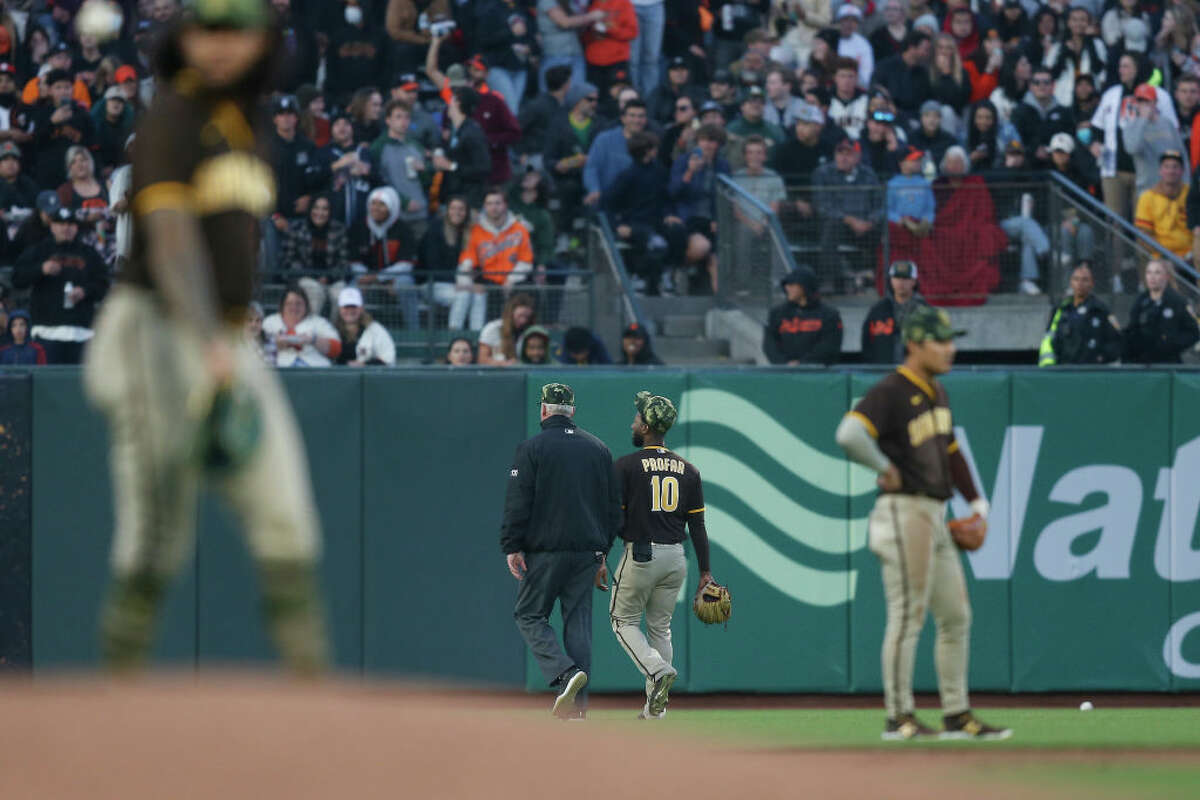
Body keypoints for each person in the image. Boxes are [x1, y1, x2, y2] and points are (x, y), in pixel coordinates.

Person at [80, 0, 329, 675]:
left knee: (287, 514)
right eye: (206, 28)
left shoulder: (245, 122)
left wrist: (223, 344)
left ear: (261, 40)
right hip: (156, 327)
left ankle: (318, 705)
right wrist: (210, 344)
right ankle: (113, 705)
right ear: (183, 37)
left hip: (221, 337)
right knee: (158, 534)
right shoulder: (174, 114)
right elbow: (170, 240)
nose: (220, 44)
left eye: (235, 29)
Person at [835, 306, 1009, 741]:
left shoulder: (937, 392)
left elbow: (950, 452)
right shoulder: (893, 389)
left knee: (955, 615)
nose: (951, 349)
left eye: (951, 340)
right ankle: (899, 716)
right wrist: (881, 465)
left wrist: (978, 504)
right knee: (908, 614)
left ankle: (956, 714)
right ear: (914, 344)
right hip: (902, 511)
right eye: (941, 341)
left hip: (934, 512)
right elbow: (849, 434)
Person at [500, 382, 621, 720]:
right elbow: (613, 509)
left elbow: (517, 503)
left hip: (545, 551)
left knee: (528, 614)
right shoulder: (598, 449)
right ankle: (578, 711)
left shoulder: (532, 448)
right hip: (587, 553)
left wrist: (512, 546)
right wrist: (602, 553)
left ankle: (566, 674)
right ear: (573, 411)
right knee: (578, 625)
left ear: (543, 410)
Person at [608, 391, 714, 718]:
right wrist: (706, 572)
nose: (633, 422)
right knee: (660, 629)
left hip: (641, 553)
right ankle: (656, 709)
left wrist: (600, 553)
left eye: (637, 418)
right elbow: (697, 526)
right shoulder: (689, 470)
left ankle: (656, 669)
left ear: (646, 426)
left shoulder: (626, 465)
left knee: (622, 620)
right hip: (676, 558)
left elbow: (614, 518)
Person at [11, 204, 109, 364]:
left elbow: (103, 284)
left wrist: (85, 291)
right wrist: (41, 269)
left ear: (76, 228)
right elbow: (17, 279)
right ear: (52, 227)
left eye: (70, 224)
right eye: (61, 224)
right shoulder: (38, 251)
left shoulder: (89, 254)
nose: (66, 228)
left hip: (81, 332)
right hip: (46, 332)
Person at [812, 137, 883, 291]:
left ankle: (879, 279)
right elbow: (822, 205)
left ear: (857, 157)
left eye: (848, 154)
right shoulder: (823, 173)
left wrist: (870, 221)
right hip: (840, 225)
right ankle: (829, 281)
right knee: (831, 226)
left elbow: (879, 204)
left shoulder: (868, 174)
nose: (843, 157)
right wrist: (849, 220)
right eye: (840, 153)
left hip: (865, 226)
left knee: (886, 228)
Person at [1038, 264, 1121, 366]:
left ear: (1092, 283)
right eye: (1076, 279)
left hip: (1091, 371)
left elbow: (1116, 342)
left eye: (1085, 280)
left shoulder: (1100, 310)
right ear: (1071, 282)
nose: (1080, 283)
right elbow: (1050, 339)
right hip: (1064, 369)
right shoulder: (1061, 309)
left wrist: (1101, 357)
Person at [283, 193, 351, 317]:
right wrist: (313, 276)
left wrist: (328, 277)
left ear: (330, 212)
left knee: (341, 295)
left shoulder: (339, 230)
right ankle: (313, 332)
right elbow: (289, 260)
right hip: (304, 277)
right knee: (315, 291)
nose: (320, 212)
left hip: (332, 279)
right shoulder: (296, 229)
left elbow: (343, 262)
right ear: (310, 210)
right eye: (316, 208)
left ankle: (333, 332)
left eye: (325, 209)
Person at [1123, 259, 1200, 364]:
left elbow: (1193, 333)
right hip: (1143, 362)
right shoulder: (1140, 301)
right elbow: (1132, 329)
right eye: (1149, 272)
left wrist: (1171, 344)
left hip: (1168, 363)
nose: (1152, 277)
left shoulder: (1177, 301)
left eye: (1157, 272)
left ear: (1166, 276)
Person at [762, 266, 842, 366]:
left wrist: (802, 364)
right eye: (786, 285)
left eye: (792, 284)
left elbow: (829, 346)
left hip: (818, 375)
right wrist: (784, 364)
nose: (787, 288)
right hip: (784, 373)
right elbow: (769, 345)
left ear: (805, 287)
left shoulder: (829, 315)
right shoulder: (777, 313)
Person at [863, 258, 929, 366]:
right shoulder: (878, 309)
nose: (900, 282)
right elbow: (866, 342)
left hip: (915, 373)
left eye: (905, 278)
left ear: (914, 281)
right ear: (891, 280)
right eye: (897, 278)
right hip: (883, 372)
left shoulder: (925, 310)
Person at [262, 285, 344, 367]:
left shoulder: (318, 322)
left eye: (298, 304)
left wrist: (313, 340)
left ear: (306, 305)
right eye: (289, 303)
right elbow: (257, 347)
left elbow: (337, 349)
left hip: (314, 370)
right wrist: (274, 344)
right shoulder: (270, 322)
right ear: (282, 306)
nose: (294, 307)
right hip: (280, 371)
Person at [1135, 151, 1192, 260]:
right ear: (1160, 171)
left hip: (1192, 257)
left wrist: (1192, 254)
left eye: (1175, 167)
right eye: (1166, 167)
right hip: (1161, 258)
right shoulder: (1147, 197)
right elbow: (1143, 235)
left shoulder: (1192, 195)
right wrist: (1168, 256)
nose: (1171, 171)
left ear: (1182, 171)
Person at [333, 286, 396, 366]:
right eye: (346, 307)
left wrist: (364, 365)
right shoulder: (332, 330)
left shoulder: (375, 329)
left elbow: (388, 359)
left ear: (361, 308)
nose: (350, 310)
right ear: (340, 309)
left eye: (353, 306)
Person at [478, 292, 538, 366]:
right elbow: (482, 359)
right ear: (511, 313)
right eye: (520, 316)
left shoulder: (531, 330)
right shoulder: (493, 328)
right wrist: (503, 364)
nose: (523, 320)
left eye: (527, 317)